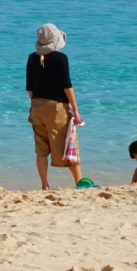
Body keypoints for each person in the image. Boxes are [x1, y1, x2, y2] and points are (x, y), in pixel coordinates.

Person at [26, 23, 83, 190]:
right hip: (57, 107)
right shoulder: (60, 58)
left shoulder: (31, 57)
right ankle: (79, 183)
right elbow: (67, 86)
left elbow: (30, 87)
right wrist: (75, 109)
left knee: (41, 149)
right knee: (68, 143)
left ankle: (44, 185)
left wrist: (36, 103)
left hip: (36, 105)